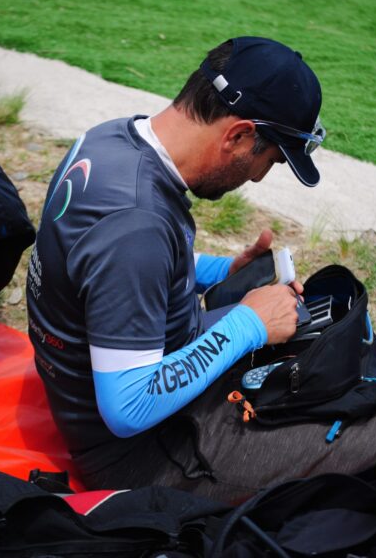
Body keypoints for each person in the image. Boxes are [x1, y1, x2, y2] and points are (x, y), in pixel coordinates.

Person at [27, 36, 327, 498]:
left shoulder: (111, 139)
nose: (258, 177)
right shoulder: (136, 225)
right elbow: (128, 407)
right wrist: (248, 325)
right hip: (136, 455)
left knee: (313, 330)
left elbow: (106, 268)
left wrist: (222, 272)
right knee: (374, 435)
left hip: (107, 383)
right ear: (238, 134)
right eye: (268, 160)